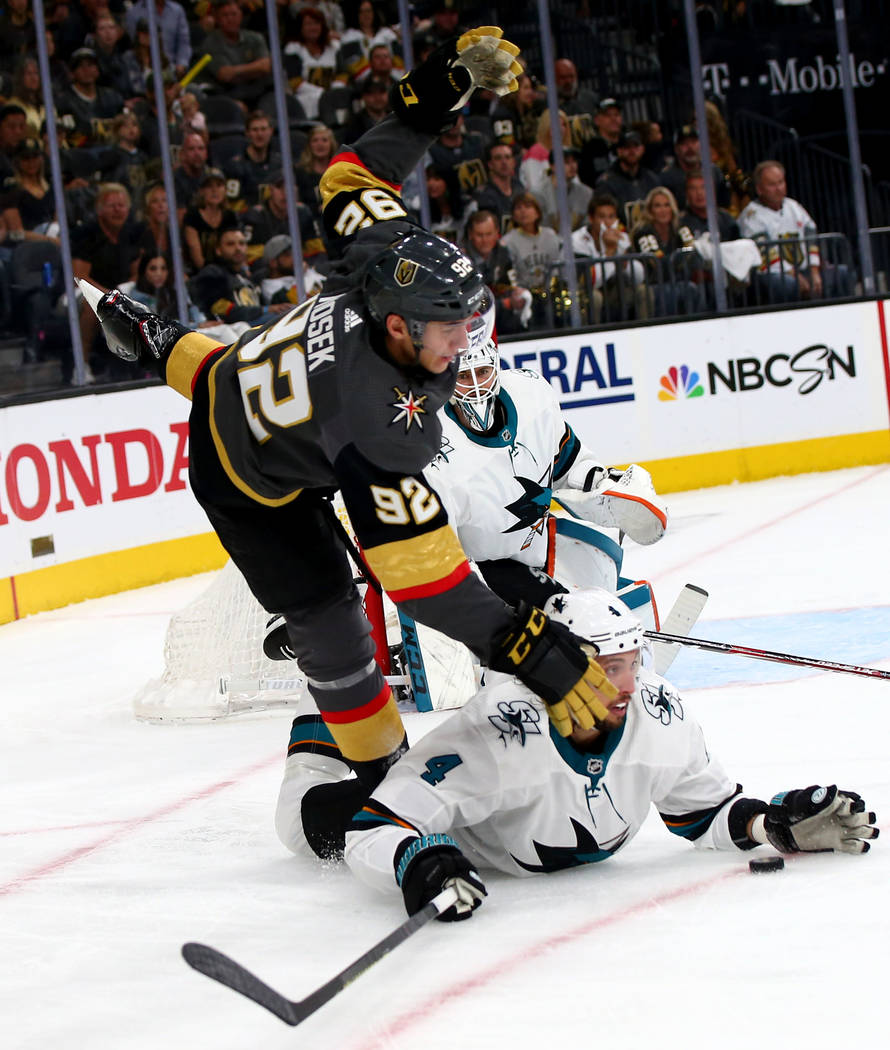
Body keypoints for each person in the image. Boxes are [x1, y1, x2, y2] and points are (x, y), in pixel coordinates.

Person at [90, 27, 617, 793]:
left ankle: (151, 338)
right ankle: (378, 782)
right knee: (331, 623)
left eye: (473, 319)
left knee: (223, 374)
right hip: (247, 483)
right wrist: (536, 650)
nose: (466, 343)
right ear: (398, 326)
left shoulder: (387, 256)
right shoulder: (379, 422)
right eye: (450, 330)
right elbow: (422, 582)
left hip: (249, 373)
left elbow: (353, 171)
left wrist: (444, 85)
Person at [276, 587, 878, 921]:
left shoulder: (660, 714)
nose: (623, 685)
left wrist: (770, 824)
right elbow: (373, 831)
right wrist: (416, 862)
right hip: (450, 830)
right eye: (604, 667)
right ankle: (315, 733)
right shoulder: (498, 732)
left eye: (630, 664)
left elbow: (703, 812)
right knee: (301, 815)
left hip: (501, 837)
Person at [426, 334, 666, 613]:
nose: (476, 386)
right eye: (464, 376)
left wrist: (601, 483)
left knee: (602, 575)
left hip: (533, 552)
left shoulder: (531, 395)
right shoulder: (428, 435)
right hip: (473, 570)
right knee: (567, 618)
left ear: (496, 367)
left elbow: (567, 461)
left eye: (482, 371)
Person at [737, 160, 854, 303]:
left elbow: (811, 236)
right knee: (789, 285)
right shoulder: (752, 215)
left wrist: (814, 271)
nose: (778, 188)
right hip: (771, 274)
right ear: (759, 189)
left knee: (841, 273)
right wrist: (795, 275)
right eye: (772, 185)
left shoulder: (794, 207)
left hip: (804, 270)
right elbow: (765, 253)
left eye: (781, 182)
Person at [572, 192, 650, 322]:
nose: (607, 222)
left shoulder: (622, 237)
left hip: (615, 289)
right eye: (601, 217)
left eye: (611, 217)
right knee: (594, 297)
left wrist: (624, 260)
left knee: (643, 291)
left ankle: (645, 333)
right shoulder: (577, 240)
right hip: (584, 292)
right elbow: (587, 281)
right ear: (591, 219)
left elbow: (640, 277)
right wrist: (609, 252)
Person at [630, 186, 706, 318]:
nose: (663, 210)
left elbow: (696, 258)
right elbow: (659, 266)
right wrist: (680, 260)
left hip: (677, 282)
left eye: (666, 205)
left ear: (672, 208)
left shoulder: (680, 229)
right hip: (653, 284)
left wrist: (680, 259)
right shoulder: (643, 232)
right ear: (650, 210)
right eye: (657, 206)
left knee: (693, 288)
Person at [462, 208, 529, 334]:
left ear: (497, 233)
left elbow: (517, 282)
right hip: (474, 326)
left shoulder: (505, 253)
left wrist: (518, 293)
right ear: (470, 234)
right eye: (479, 235)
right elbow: (467, 303)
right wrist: (503, 304)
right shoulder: (462, 260)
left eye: (488, 234)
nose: (485, 240)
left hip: (505, 321)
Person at [203, 0, 273, 108]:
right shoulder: (211, 43)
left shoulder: (255, 38)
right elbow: (225, 75)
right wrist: (254, 70)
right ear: (217, 19)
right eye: (225, 15)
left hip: (260, 93)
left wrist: (236, 72)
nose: (230, 19)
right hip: (229, 96)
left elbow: (265, 67)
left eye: (234, 14)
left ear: (241, 16)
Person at [595, 129, 660, 229]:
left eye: (636, 146)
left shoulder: (652, 179)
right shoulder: (606, 183)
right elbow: (604, 218)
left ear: (642, 149)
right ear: (619, 151)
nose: (632, 151)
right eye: (627, 147)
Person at [658, 124, 729, 213]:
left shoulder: (714, 171)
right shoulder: (667, 178)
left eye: (693, 142)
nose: (690, 147)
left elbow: (724, 204)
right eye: (684, 144)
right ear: (676, 149)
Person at [182, 168, 240, 273]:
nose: (214, 190)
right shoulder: (192, 216)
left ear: (225, 190)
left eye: (219, 185)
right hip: (199, 272)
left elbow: (237, 248)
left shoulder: (230, 216)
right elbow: (198, 260)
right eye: (209, 186)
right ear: (201, 191)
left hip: (227, 270)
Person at [224, 111, 281, 210]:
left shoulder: (280, 164)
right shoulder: (234, 166)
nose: (259, 134)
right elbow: (232, 204)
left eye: (263, 129)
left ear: (271, 131)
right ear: (247, 133)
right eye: (255, 130)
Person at [471, 140, 525, 234]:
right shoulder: (483, 195)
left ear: (513, 162)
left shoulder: (519, 188)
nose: (504, 162)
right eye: (498, 158)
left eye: (508, 157)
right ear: (490, 165)